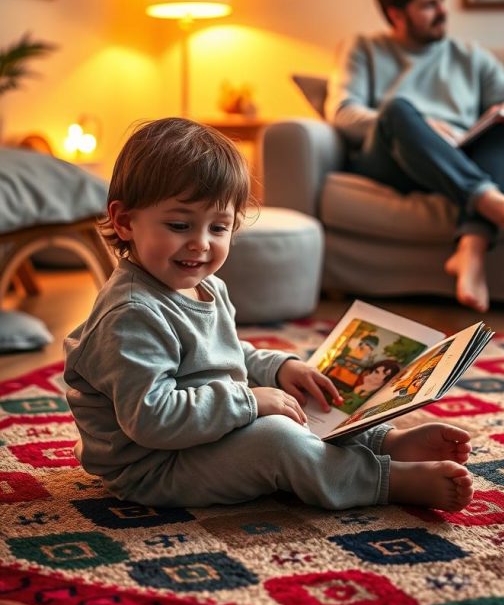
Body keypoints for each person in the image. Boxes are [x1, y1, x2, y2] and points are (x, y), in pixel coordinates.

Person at [64, 117, 474, 513]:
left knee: (303, 397)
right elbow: (153, 419)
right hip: (154, 466)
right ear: (124, 221)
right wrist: (249, 402)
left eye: (218, 228)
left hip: (201, 434)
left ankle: (383, 443)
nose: (200, 244)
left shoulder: (207, 286)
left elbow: (223, 356)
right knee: (277, 438)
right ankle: (383, 480)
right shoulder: (131, 313)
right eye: (178, 224)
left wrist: (279, 369)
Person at [326, 0, 504, 313]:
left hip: (455, 159)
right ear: (396, 14)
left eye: (442, 0)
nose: (443, 11)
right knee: (398, 109)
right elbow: (343, 112)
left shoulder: (469, 55)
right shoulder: (363, 48)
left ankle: (471, 249)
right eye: (428, 5)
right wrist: (421, 124)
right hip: (390, 158)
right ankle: (498, 207)